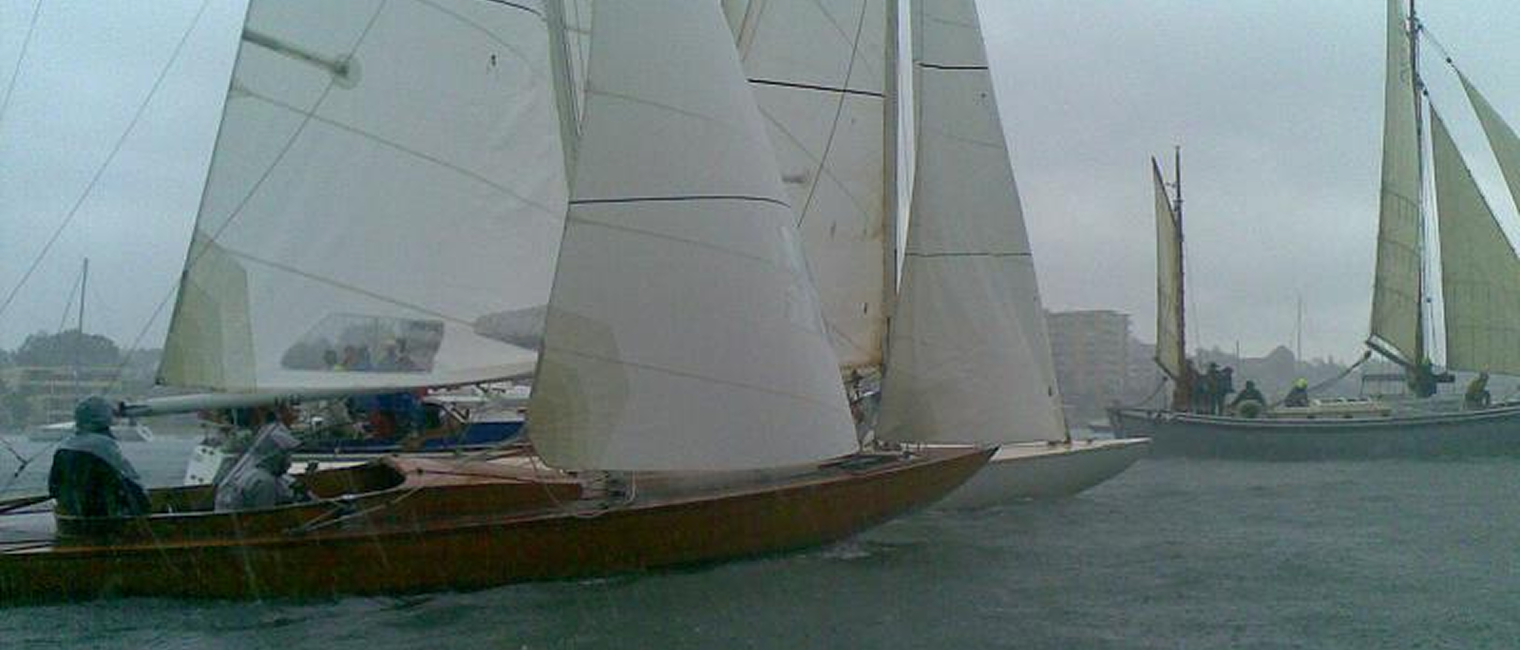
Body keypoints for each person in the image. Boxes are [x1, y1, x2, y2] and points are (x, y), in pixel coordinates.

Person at [48, 396, 151, 518]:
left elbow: (54, 487)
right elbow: (131, 483)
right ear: (105, 418)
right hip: (103, 520)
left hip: (73, 516)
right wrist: (145, 506)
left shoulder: (64, 446)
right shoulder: (103, 447)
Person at [214, 424, 307, 511]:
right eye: (287, 454)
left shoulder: (246, 467)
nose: (290, 460)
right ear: (275, 455)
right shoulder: (264, 481)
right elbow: (264, 518)